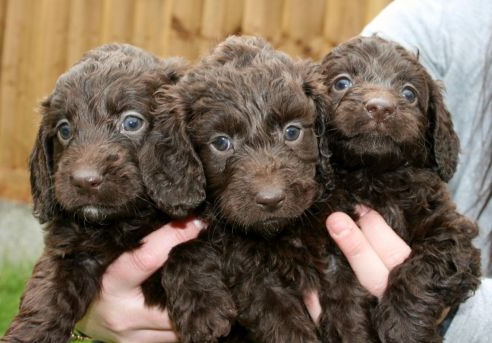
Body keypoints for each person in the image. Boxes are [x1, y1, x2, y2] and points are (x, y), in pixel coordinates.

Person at [76, 0, 492, 341]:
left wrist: (433, 315)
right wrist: (86, 291)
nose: (380, 102)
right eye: (345, 84)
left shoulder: (421, 197)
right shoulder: (438, 22)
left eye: (407, 93)